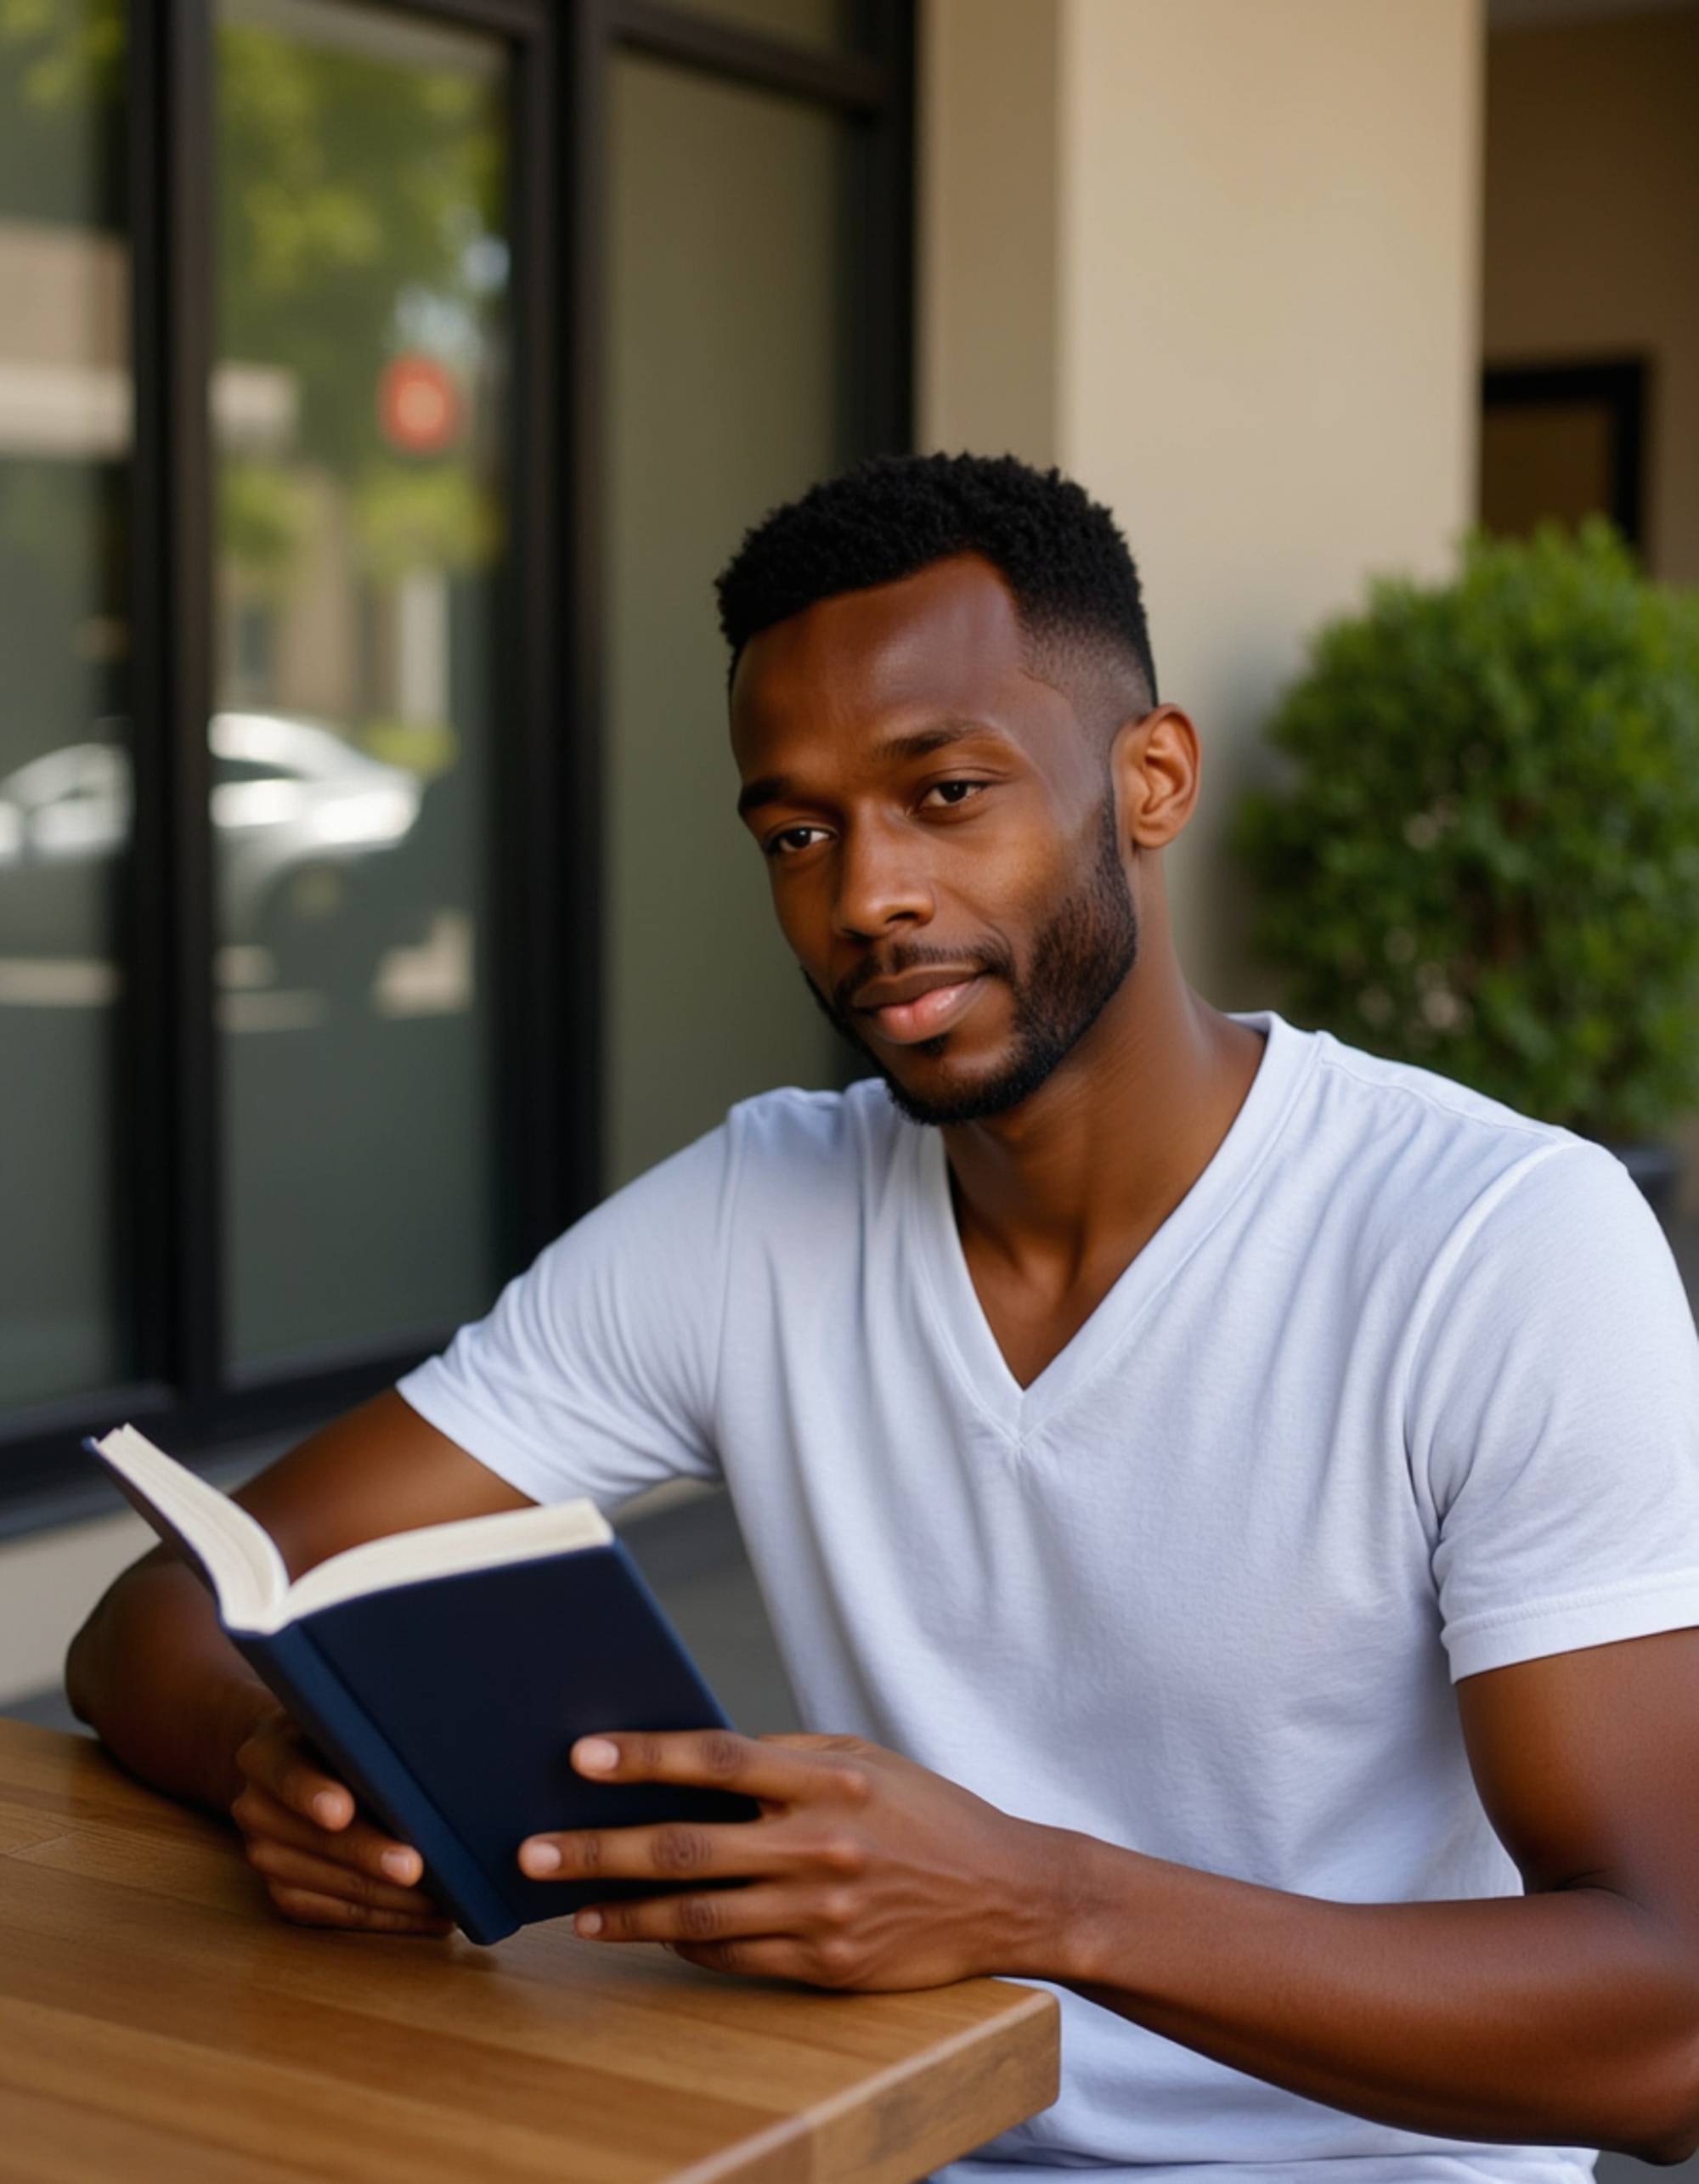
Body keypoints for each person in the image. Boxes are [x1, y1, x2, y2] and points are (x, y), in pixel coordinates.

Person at [66, 454, 1699, 2179]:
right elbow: (158, 1619)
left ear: (1149, 781)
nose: (864, 896)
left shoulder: (1491, 1241)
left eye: (946, 791)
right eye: (798, 828)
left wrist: (1042, 1895)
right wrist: (282, 1766)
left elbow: (1664, 2020)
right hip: (874, 2141)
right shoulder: (752, 1214)